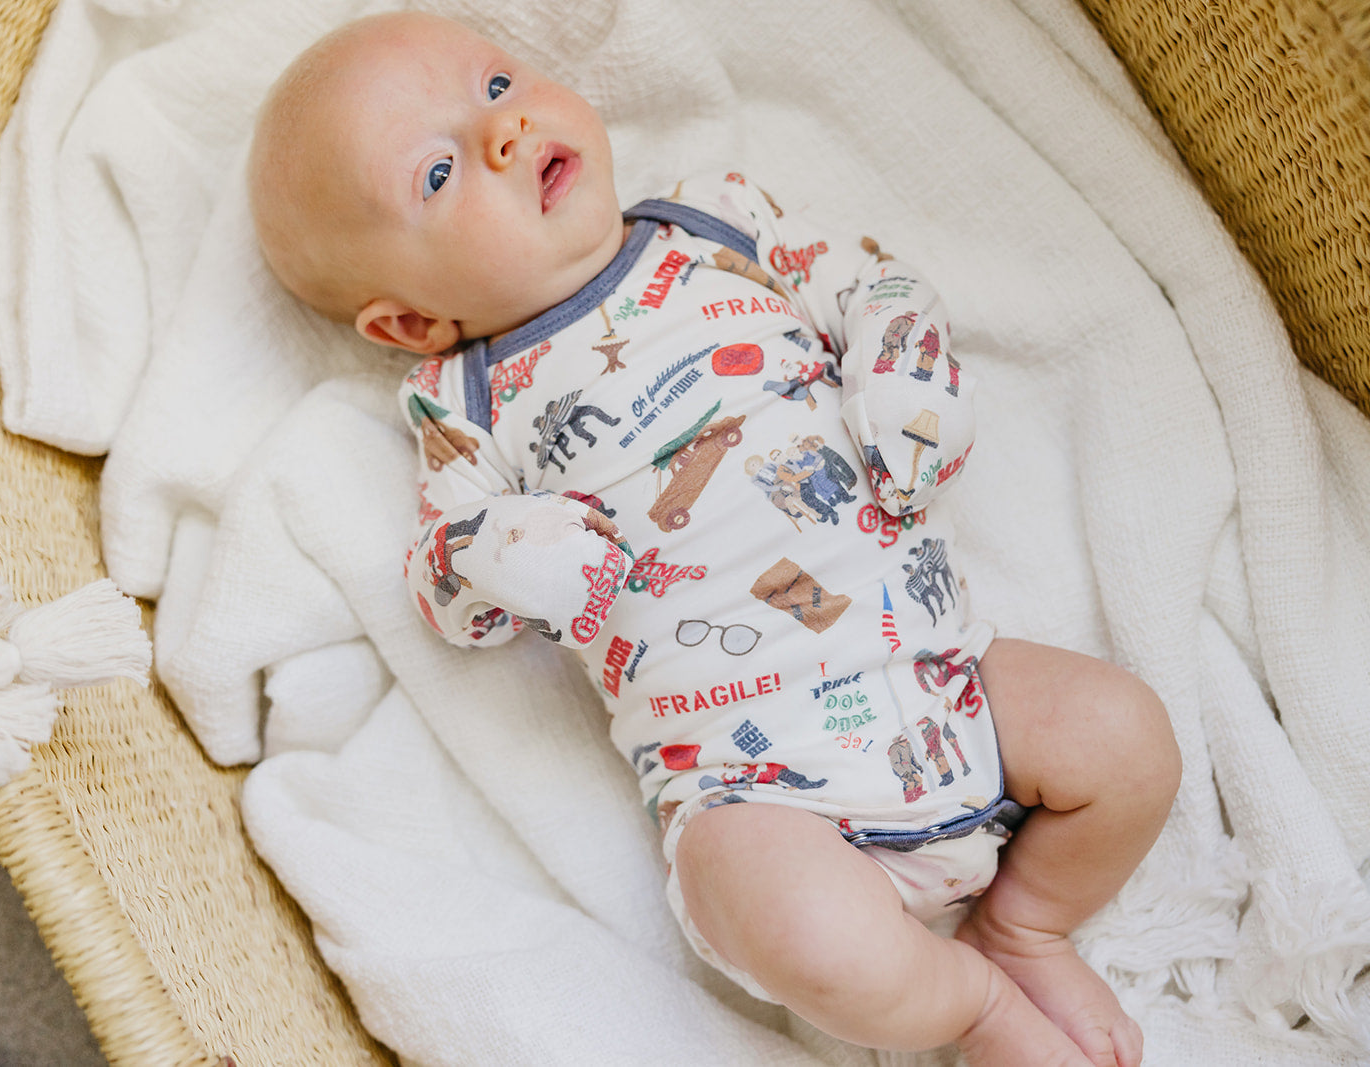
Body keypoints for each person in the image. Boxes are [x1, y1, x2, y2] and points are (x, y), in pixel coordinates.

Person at [247, 12, 1181, 1066]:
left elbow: (873, 286)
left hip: (948, 679)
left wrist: (902, 369)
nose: (501, 132)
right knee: (806, 933)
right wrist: (507, 551)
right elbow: (442, 582)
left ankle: (1026, 923)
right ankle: (978, 1008)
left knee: (1126, 739)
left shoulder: (715, 219)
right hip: (754, 788)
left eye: (498, 86)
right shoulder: (463, 403)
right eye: (437, 172)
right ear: (412, 324)